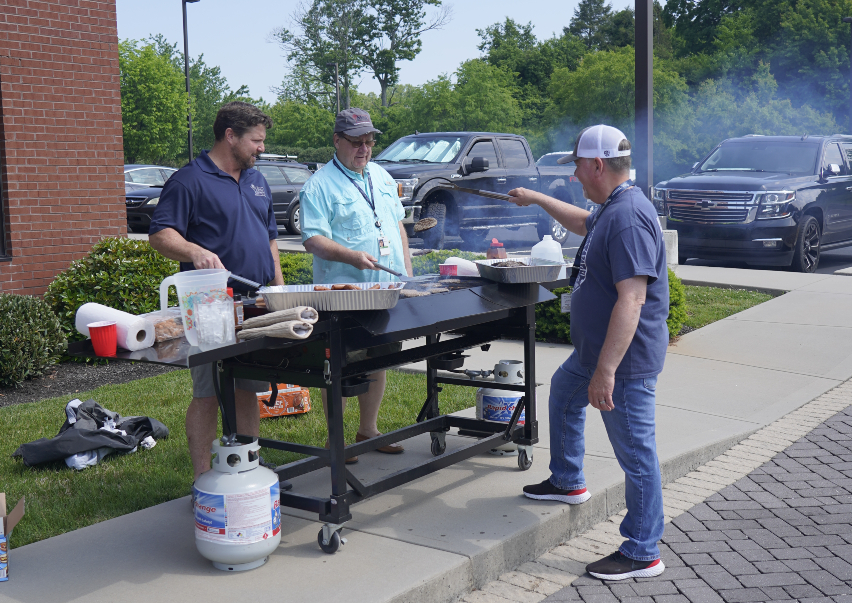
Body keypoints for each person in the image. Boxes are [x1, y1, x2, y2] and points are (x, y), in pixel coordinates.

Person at [507, 125, 669, 581]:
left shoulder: (629, 217)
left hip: (623, 362)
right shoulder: (611, 208)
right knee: (562, 392)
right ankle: (566, 480)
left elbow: (632, 299)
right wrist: (537, 200)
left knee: (637, 455)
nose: (575, 175)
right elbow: (583, 223)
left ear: (598, 164)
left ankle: (643, 550)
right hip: (593, 353)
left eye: (578, 166)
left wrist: (607, 371)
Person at [148, 101, 284, 483]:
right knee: (208, 391)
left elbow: (271, 239)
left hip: (257, 303)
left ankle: (248, 468)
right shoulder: (189, 180)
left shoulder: (257, 180)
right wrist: (194, 251)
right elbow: (160, 234)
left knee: (247, 388)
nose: (261, 148)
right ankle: (203, 479)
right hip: (210, 306)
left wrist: (279, 289)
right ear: (230, 136)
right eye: (256, 141)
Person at [300, 108, 414, 464]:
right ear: (337, 141)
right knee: (339, 367)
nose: (364, 149)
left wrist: (407, 273)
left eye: (369, 142)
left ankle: (369, 430)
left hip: (385, 291)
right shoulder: (318, 185)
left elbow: (397, 227)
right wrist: (351, 257)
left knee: (380, 357)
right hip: (343, 297)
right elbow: (313, 239)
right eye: (356, 143)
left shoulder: (380, 175)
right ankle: (337, 440)